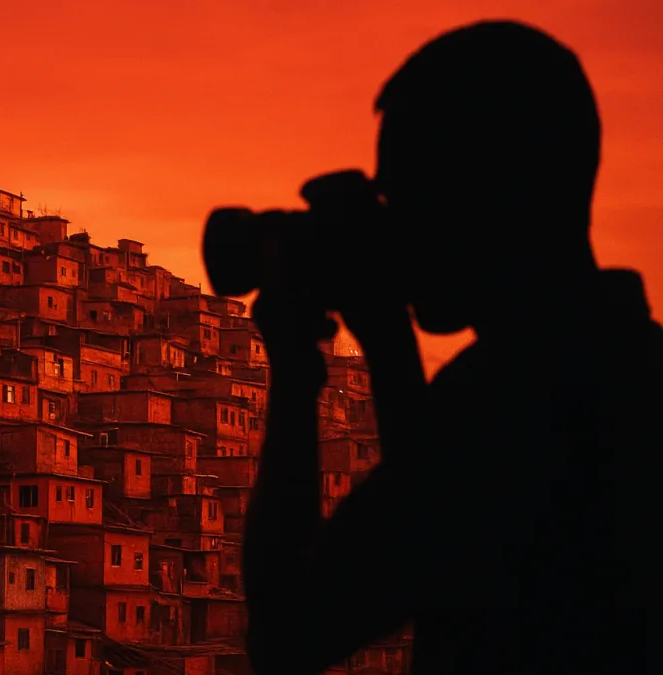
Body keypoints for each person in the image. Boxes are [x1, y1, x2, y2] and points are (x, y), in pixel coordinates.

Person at [236, 20, 662, 675]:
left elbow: (288, 631)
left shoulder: (522, 398)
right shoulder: (621, 365)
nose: (396, 223)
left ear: (487, 191)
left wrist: (307, 369)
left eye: (406, 191)